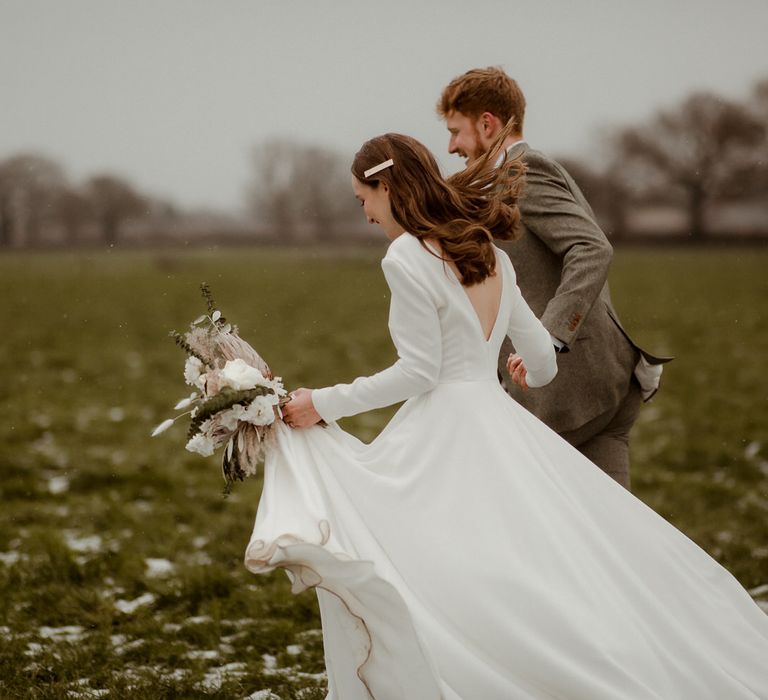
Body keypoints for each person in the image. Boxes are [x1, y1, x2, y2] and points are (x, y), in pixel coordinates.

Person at [246, 129, 768, 700]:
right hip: (498, 418)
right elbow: (542, 361)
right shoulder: (488, 251)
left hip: (445, 427)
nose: (366, 215)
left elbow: (419, 371)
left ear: (387, 186)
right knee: (511, 552)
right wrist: (522, 363)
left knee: (430, 554)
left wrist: (322, 402)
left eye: (362, 200)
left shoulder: (404, 256)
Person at [437, 66, 671, 489]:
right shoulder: (510, 174)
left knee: (532, 527)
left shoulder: (521, 172)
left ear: (487, 123)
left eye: (456, 131)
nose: (451, 145)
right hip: (596, 385)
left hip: (572, 393)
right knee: (605, 537)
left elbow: (591, 248)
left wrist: (547, 339)